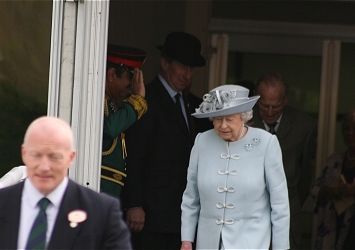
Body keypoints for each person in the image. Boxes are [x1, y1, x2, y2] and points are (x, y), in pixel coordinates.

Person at [123, 31, 206, 249]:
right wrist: (134, 204)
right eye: (182, 66)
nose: (187, 74)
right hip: (150, 218)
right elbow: (135, 154)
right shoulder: (147, 99)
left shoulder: (186, 103)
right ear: (164, 63)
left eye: (191, 68)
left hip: (177, 217)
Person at [180, 84, 290, 249]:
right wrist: (187, 240)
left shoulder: (266, 143)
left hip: (251, 244)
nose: (223, 125)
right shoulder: (201, 142)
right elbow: (190, 198)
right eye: (218, 118)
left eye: (229, 118)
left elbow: (280, 205)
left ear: (244, 116)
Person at [0, 116, 132, 249]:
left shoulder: (103, 213)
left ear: (70, 158)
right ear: (24, 153)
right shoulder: (3, 203)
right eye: (36, 155)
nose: (44, 166)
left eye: (54, 157)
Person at [251, 72, 317, 249]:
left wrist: (290, 202)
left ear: (286, 100)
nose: (270, 112)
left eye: (276, 106)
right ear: (256, 99)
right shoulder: (243, 122)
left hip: (288, 215)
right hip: (249, 216)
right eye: (264, 106)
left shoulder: (304, 126)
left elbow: (305, 176)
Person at [311, 109, 355, 249]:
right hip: (331, 229)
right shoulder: (334, 160)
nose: (350, 133)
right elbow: (315, 188)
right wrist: (323, 192)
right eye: (346, 129)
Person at [101, 44, 148, 199]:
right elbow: (110, 129)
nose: (132, 87)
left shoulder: (112, 104)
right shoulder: (96, 100)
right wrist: (137, 101)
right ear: (111, 74)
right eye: (130, 78)